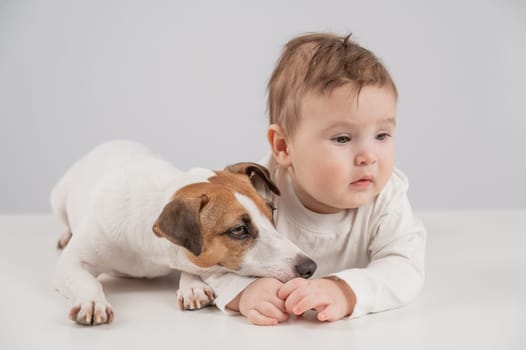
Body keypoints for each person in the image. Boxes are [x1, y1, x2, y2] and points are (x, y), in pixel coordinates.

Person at [202, 32, 426, 325]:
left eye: (382, 135)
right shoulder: (255, 194)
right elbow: (202, 256)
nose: (369, 156)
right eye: (343, 138)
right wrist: (243, 291)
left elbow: (405, 267)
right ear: (283, 147)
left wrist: (345, 291)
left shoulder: (387, 197)